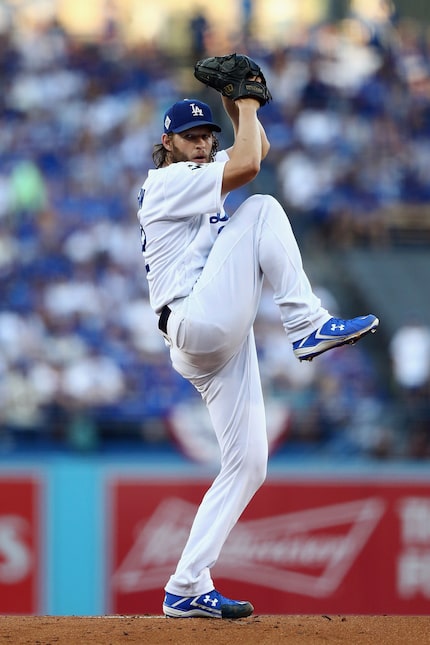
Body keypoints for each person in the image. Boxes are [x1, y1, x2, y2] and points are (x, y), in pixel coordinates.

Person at [136, 93, 379, 619]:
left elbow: (256, 148)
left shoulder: (200, 170)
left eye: (207, 137)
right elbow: (248, 165)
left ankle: (185, 584)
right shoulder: (168, 181)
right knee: (264, 207)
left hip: (213, 332)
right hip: (195, 318)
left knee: (248, 464)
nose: (202, 145)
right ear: (167, 143)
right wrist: (242, 106)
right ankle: (308, 323)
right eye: (191, 138)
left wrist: (237, 104)